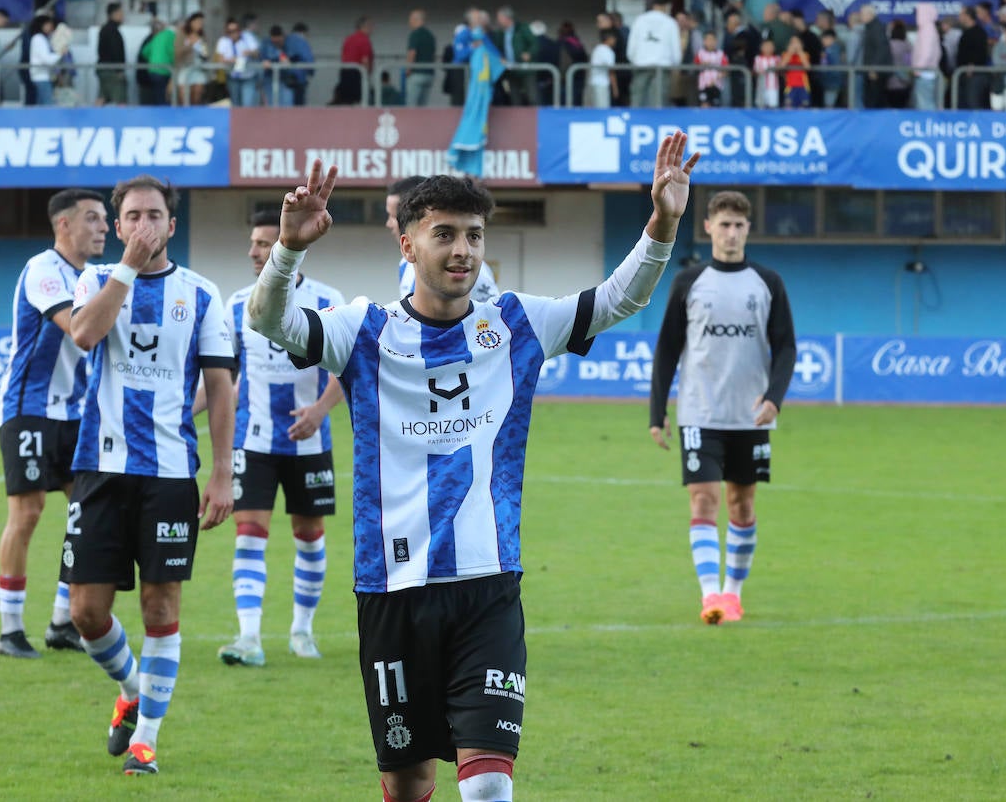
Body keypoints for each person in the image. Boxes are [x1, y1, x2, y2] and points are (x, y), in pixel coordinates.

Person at [246, 135, 699, 802]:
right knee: (407, 785)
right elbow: (267, 317)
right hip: (392, 588)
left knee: (487, 785)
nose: (463, 249)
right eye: (445, 234)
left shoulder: (515, 324)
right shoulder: (361, 330)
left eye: (475, 235)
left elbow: (615, 301)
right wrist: (289, 249)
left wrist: (662, 222)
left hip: (488, 585)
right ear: (408, 245)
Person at [66, 176, 236, 776]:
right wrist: (127, 271)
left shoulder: (203, 294)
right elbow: (84, 334)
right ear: (119, 227)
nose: (143, 225)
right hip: (99, 470)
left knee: (161, 608)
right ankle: (132, 686)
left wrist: (222, 473)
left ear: (172, 224)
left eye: (154, 215)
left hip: (169, 475)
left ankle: (148, 740)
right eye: (132, 216)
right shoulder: (93, 281)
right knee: (86, 612)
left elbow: (219, 388)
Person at [202, 209, 346, 668]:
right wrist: (182, 415)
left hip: (310, 441)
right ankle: (249, 639)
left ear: (289, 246)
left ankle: (302, 632)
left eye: (264, 243)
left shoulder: (328, 300)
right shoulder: (238, 303)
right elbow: (222, 376)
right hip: (254, 439)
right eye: (253, 244)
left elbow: (349, 366)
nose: (254, 251)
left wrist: (320, 410)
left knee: (309, 535)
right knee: (249, 534)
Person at [648, 190, 796, 626]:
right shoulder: (689, 281)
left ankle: (733, 594)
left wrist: (774, 399)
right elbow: (667, 350)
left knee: (743, 506)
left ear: (747, 229)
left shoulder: (767, 283)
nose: (731, 233)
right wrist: (657, 412)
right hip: (699, 413)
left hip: (749, 416)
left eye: (739, 225)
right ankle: (711, 596)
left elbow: (786, 346)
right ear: (708, 227)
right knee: (704, 501)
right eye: (723, 224)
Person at [0, 188, 110, 660]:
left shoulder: (96, 277)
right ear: (63, 225)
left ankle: (63, 621)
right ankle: (10, 629)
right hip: (29, 408)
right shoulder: (44, 270)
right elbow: (80, 331)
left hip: (75, 413)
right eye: (92, 219)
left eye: (105, 219)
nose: (103, 227)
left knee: (87, 513)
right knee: (28, 512)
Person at [386, 176, 498, 302]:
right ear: (408, 247)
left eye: (393, 216)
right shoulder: (404, 266)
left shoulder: (472, 272)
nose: (464, 252)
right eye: (444, 235)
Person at [627, 0, 679, 108]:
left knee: (637, 100)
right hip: (662, 67)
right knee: (658, 102)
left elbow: (631, 47)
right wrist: (675, 64)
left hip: (641, 64)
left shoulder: (640, 20)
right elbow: (676, 50)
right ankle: (655, 125)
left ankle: (636, 123)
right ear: (665, 5)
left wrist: (635, 60)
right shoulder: (670, 22)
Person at [404, 8, 436, 107]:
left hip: (416, 74)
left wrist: (408, 69)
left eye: (410, 19)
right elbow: (433, 55)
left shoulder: (415, 34)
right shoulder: (430, 35)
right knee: (423, 108)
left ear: (416, 20)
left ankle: (411, 123)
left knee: (411, 106)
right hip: (429, 74)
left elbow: (412, 52)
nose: (409, 22)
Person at [98, 3, 129, 105]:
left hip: (104, 69)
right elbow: (115, 51)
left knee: (102, 97)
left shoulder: (106, 29)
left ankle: (91, 118)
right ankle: (122, 120)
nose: (122, 16)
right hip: (112, 71)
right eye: (121, 13)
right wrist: (119, 70)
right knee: (120, 99)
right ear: (114, 14)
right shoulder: (112, 31)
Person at [28, 15, 61, 105]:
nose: (51, 27)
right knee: (47, 104)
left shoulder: (41, 39)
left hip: (42, 76)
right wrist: (60, 53)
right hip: (41, 76)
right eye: (48, 24)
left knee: (42, 104)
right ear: (42, 25)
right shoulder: (39, 39)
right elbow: (47, 59)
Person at [588, 27, 619, 107]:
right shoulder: (607, 51)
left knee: (596, 108)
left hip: (594, 82)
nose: (615, 41)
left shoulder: (597, 48)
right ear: (609, 39)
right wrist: (615, 88)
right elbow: (611, 71)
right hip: (602, 83)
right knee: (602, 109)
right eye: (614, 39)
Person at [285, 22, 314, 106]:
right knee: (298, 107)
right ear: (303, 32)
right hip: (299, 77)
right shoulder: (301, 41)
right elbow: (309, 59)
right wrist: (311, 72)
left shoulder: (286, 40)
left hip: (285, 77)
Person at [752, 37, 780, 108]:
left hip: (773, 86)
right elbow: (755, 70)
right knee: (761, 105)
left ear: (774, 48)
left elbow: (780, 70)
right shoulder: (758, 58)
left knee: (773, 105)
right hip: (761, 86)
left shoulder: (777, 58)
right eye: (766, 46)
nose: (768, 48)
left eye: (770, 46)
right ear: (761, 48)